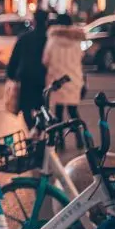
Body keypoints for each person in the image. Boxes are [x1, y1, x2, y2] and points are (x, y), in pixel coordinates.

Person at [42, 13, 86, 150]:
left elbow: (45, 60)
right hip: (73, 80)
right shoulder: (76, 41)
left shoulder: (53, 40)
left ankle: (60, 141)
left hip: (57, 81)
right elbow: (80, 58)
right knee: (73, 111)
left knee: (58, 112)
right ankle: (80, 139)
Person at [6, 10, 50, 129]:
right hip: (43, 78)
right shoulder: (49, 40)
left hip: (26, 78)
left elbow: (14, 59)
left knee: (26, 109)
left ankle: (32, 133)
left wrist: (11, 74)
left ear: (33, 21)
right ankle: (39, 131)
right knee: (42, 108)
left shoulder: (24, 38)